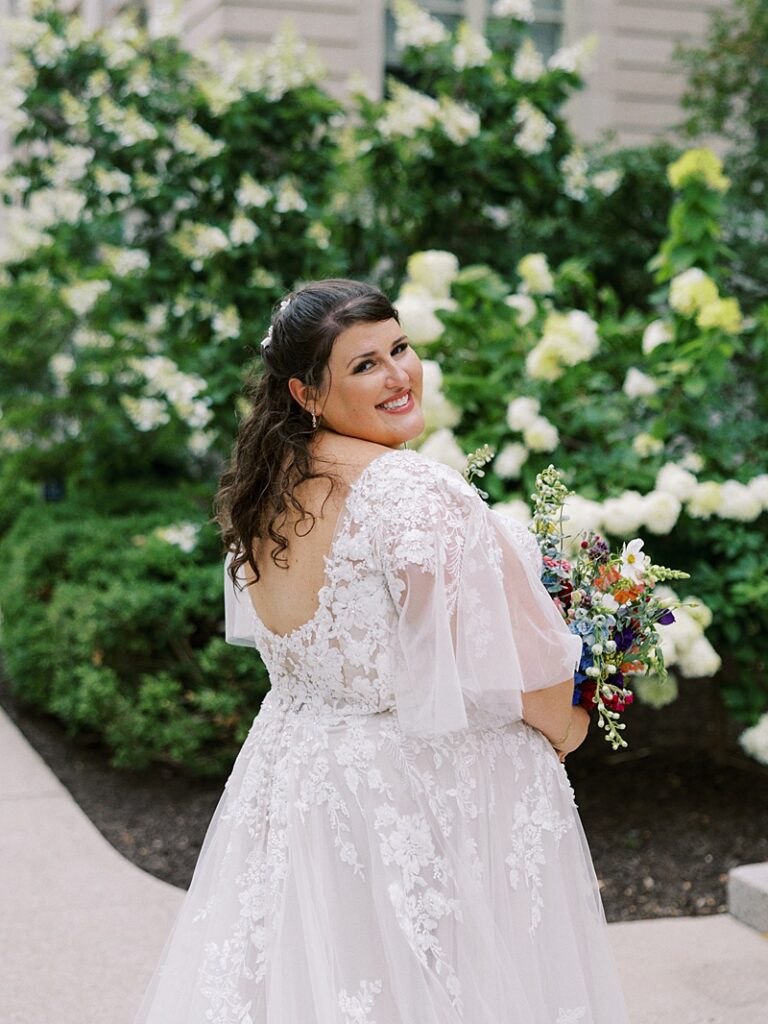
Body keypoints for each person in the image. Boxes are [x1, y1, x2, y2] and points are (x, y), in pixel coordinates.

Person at [133, 279, 630, 1023]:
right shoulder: (413, 492)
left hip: (303, 785)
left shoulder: (262, 493)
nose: (399, 375)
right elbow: (521, 680)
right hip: (423, 798)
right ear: (305, 392)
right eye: (365, 365)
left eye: (400, 348)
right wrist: (574, 724)